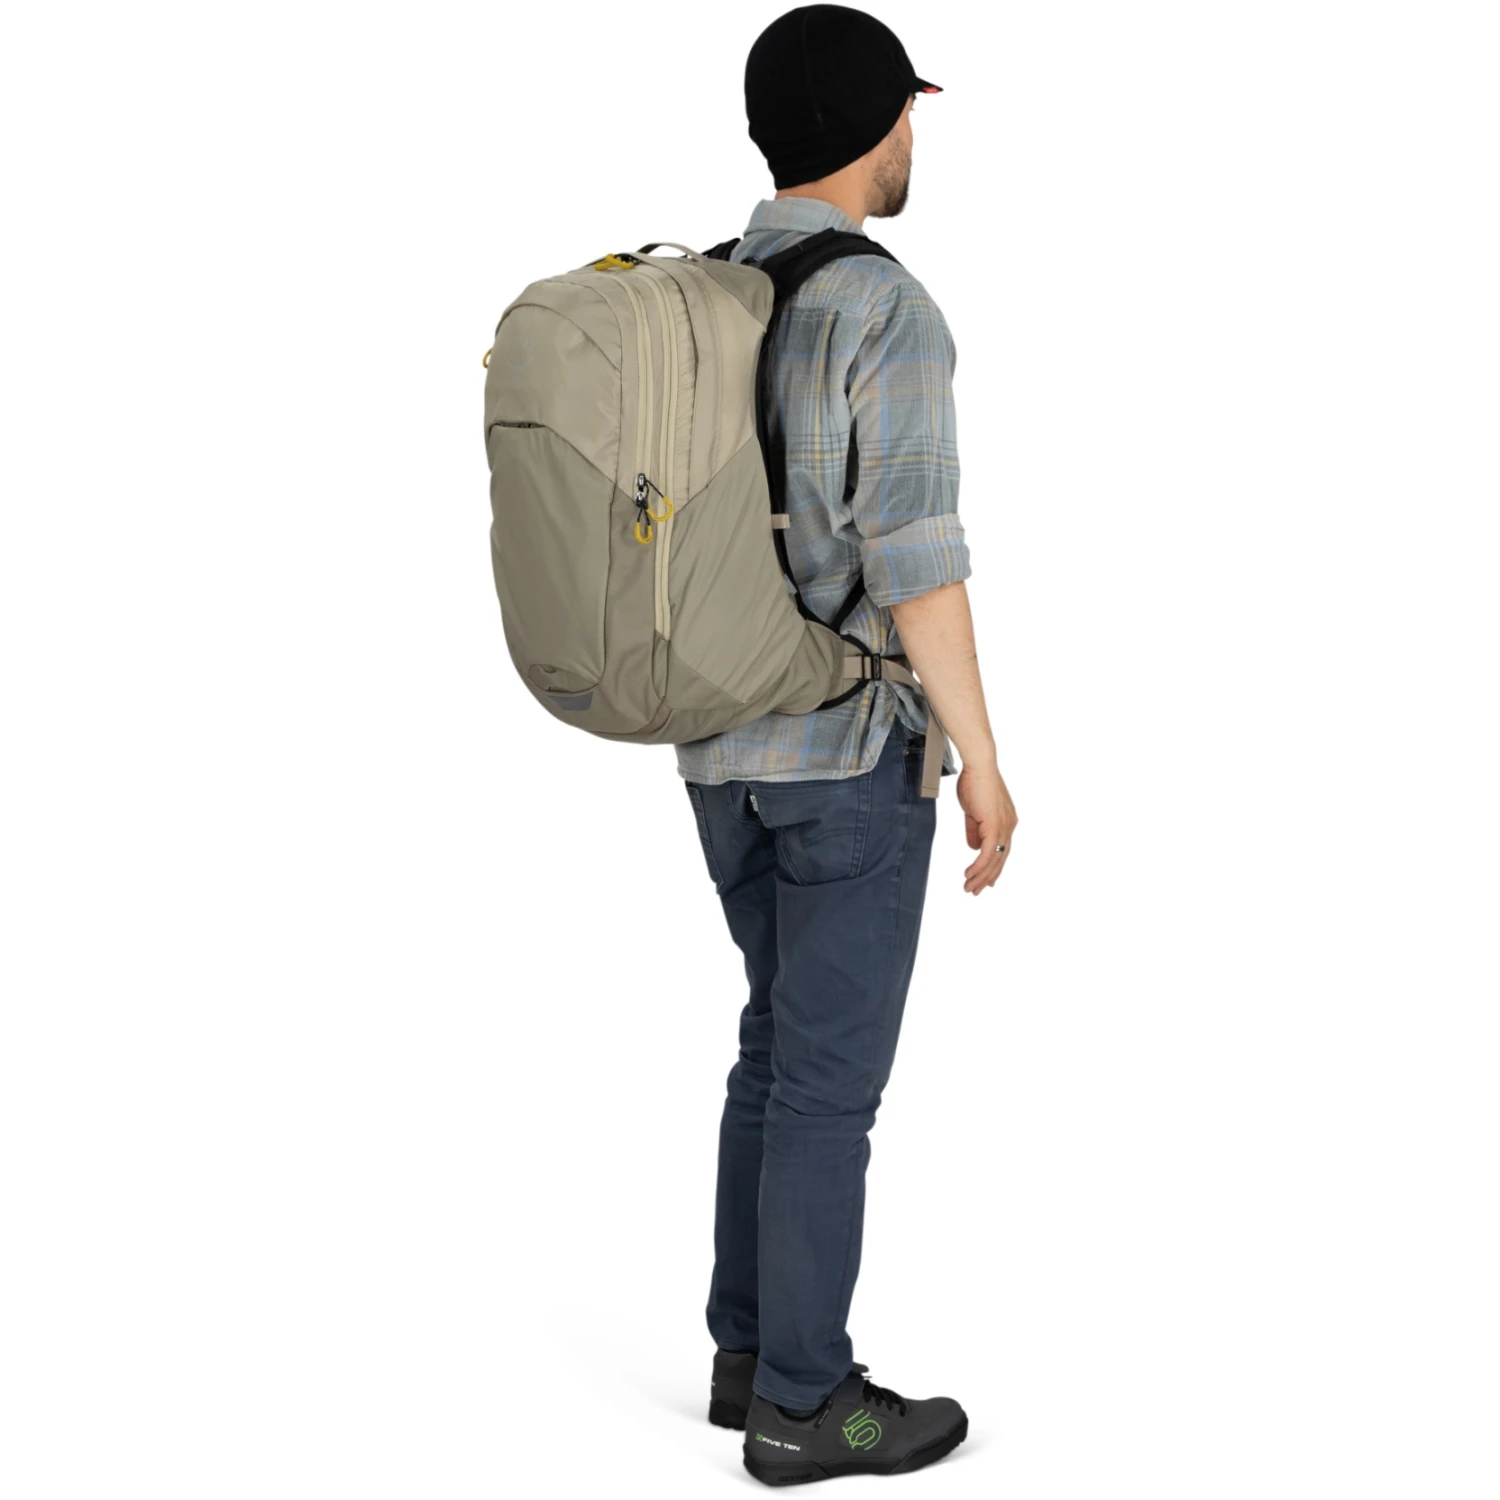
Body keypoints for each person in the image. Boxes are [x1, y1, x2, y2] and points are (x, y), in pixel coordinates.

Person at [680, 5, 1019, 1485]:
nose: (913, 137)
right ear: (878, 125)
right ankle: (807, 1406)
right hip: (846, 757)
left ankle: (747, 1352)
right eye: (908, 113)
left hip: (714, 747)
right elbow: (917, 562)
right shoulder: (884, 310)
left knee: (774, 1046)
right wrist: (982, 757)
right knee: (828, 1084)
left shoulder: (708, 289)